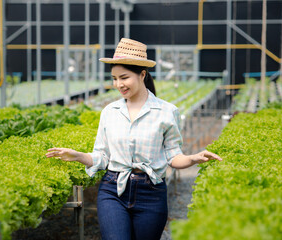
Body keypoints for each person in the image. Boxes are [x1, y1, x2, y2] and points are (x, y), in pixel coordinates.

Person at [46, 38, 222, 240]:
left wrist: (193, 158)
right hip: (113, 190)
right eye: (114, 78)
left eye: (124, 77)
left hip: (151, 192)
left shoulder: (166, 111)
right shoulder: (109, 112)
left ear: (142, 74)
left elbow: (173, 157)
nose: (118, 84)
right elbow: (102, 157)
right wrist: (78, 156)